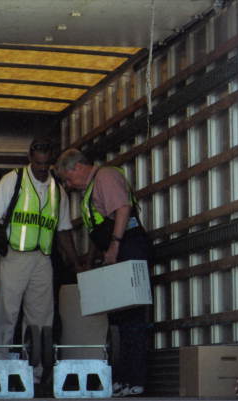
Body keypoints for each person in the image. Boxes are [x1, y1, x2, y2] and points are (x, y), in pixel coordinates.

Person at [0, 137, 80, 383]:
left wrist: (75, 262)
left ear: (52, 163)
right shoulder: (14, 180)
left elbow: (64, 230)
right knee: (7, 311)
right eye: (38, 164)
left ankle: (34, 371)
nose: (42, 169)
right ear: (30, 160)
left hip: (42, 259)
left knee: (42, 316)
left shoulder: (58, 191)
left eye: (46, 165)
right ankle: (0, 367)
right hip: (14, 255)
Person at [56, 148, 150, 397]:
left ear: (77, 167)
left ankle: (135, 379)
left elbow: (122, 209)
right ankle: (121, 377)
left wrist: (115, 246)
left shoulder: (105, 177)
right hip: (117, 248)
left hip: (128, 246)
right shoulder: (90, 189)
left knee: (131, 317)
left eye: (67, 178)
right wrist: (91, 257)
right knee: (118, 318)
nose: (68, 184)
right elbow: (100, 226)